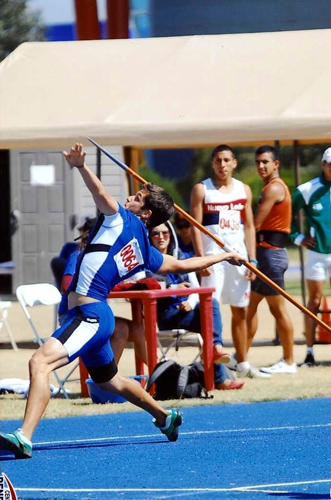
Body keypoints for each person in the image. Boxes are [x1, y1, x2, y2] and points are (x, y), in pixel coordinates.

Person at [0, 143, 243, 459]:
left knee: (39, 362)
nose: (130, 196)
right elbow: (182, 265)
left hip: (90, 316)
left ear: (146, 212)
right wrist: (223, 255)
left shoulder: (121, 219)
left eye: (138, 196)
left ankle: (24, 436)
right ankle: (165, 417)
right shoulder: (145, 248)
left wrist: (80, 166)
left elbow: (100, 192)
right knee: (112, 380)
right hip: (96, 317)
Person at [190, 144, 269, 379]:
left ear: (234, 162)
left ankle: (242, 362)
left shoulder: (243, 190)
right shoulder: (201, 189)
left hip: (239, 258)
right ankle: (212, 364)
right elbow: (196, 225)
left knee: (240, 311)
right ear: (212, 163)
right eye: (217, 161)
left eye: (226, 160)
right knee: (209, 310)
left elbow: (250, 226)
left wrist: (252, 259)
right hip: (213, 259)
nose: (222, 165)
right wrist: (201, 259)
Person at [148, 221, 245, 390]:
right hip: (166, 315)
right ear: (149, 237)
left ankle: (216, 351)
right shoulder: (148, 260)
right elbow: (143, 283)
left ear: (171, 236)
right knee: (209, 318)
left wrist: (191, 303)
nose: (161, 237)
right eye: (156, 233)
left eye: (165, 233)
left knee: (210, 307)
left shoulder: (181, 256)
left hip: (186, 311)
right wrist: (173, 288)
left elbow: (195, 288)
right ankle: (219, 370)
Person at [58, 218, 147, 365]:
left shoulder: (106, 259)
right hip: (73, 315)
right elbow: (66, 286)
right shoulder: (79, 255)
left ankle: (161, 374)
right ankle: (108, 380)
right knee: (121, 329)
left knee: (138, 330)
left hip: (95, 315)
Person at [246, 145, 296, 374]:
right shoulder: (270, 187)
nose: (261, 166)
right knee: (251, 308)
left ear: (276, 164)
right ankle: (242, 358)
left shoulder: (274, 188)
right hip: (266, 254)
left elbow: (255, 224)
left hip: (271, 255)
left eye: (265, 162)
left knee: (278, 311)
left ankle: (289, 361)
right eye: (257, 162)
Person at [290, 147, 331, 367]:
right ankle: (309, 352)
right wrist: (298, 237)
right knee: (313, 301)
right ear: (324, 164)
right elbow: (286, 214)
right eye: (330, 164)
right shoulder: (307, 189)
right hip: (316, 254)